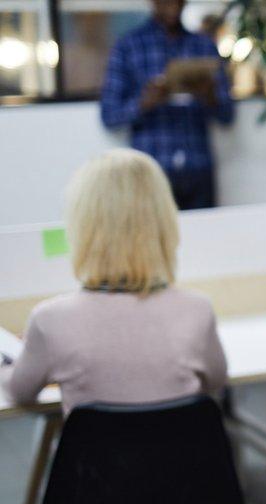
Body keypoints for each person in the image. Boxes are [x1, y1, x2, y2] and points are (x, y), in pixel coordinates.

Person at [1, 149, 227, 416]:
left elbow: (18, 392)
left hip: (92, 459)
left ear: (83, 227)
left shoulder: (50, 320)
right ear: (164, 222)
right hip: (183, 457)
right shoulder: (196, 310)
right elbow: (216, 379)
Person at [100, 0, 234, 210]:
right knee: (151, 239)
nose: (173, 6)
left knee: (205, 236)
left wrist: (208, 95)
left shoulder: (204, 45)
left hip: (197, 166)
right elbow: (109, 116)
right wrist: (145, 102)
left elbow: (227, 115)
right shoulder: (128, 46)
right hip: (150, 169)